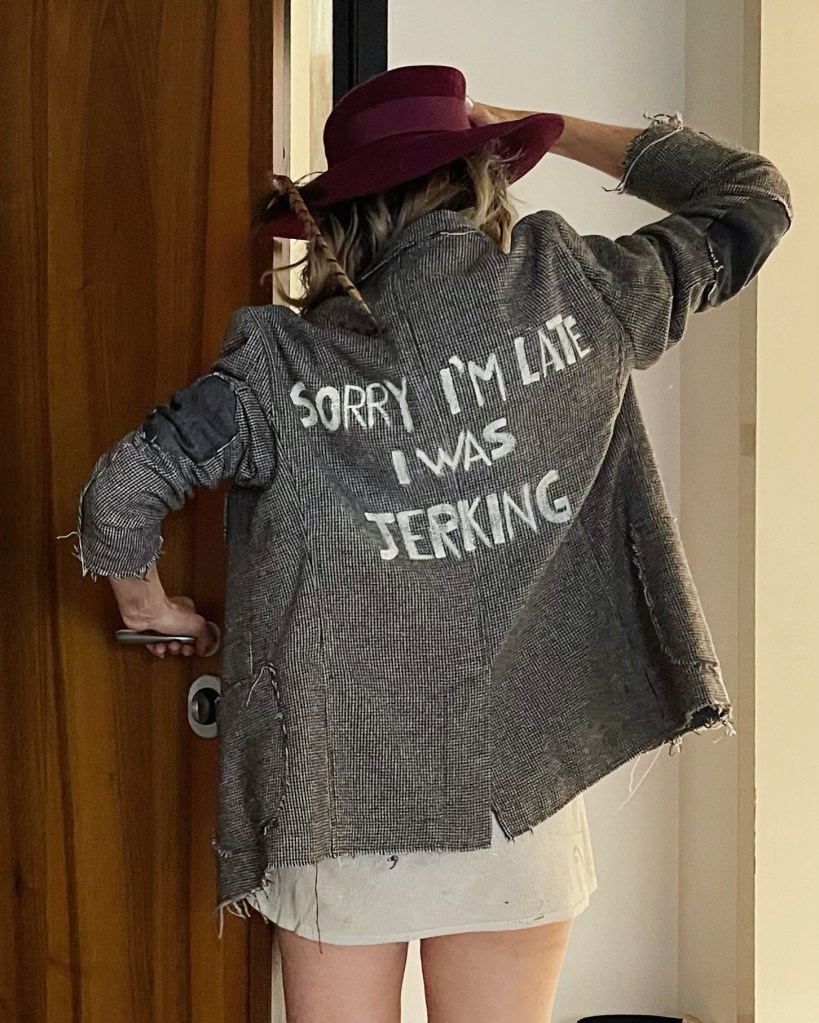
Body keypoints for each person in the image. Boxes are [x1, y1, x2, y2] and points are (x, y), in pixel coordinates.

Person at [70, 65, 790, 1023]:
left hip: (336, 807)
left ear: (338, 220)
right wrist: (544, 125)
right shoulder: (580, 292)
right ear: (482, 177)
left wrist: (156, 612)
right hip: (518, 800)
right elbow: (751, 196)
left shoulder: (277, 369)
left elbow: (118, 496)